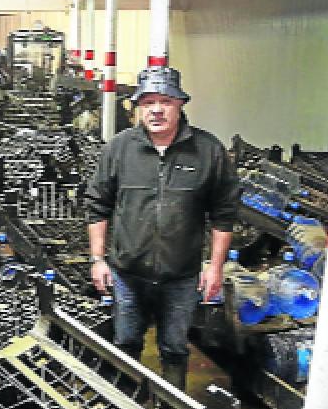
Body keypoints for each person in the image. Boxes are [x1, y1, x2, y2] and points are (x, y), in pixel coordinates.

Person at [85, 65, 240, 389]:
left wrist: (215, 266)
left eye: (166, 101)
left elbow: (224, 213)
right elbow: (98, 204)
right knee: (126, 343)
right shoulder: (119, 148)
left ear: (180, 104)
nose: (156, 109)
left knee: (174, 348)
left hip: (181, 275)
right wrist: (98, 259)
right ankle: (126, 401)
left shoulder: (208, 151)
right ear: (138, 107)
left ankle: (173, 407)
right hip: (127, 273)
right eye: (148, 102)